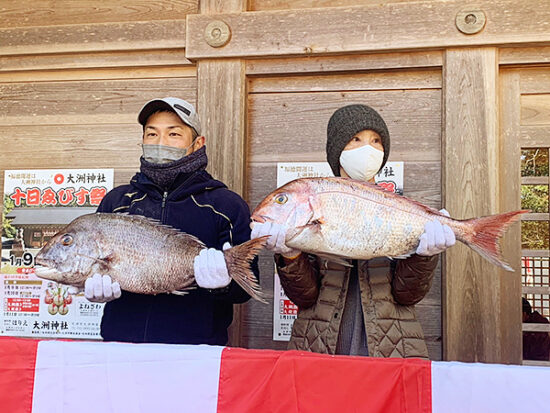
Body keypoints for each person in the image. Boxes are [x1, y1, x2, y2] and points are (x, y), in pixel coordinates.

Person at [251, 104, 455, 357]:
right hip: (321, 345)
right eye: (355, 139)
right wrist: (290, 256)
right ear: (338, 149)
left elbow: (407, 296)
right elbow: (305, 299)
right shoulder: (313, 207)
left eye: (376, 141)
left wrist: (425, 257)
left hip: (392, 347)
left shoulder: (399, 209)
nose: (367, 148)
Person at [85, 97, 258, 345]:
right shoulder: (117, 201)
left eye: (174, 134)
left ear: (198, 143)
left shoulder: (225, 206)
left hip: (196, 355)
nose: (160, 143)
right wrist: (89, 286)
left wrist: (222, 285)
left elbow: (245, 290)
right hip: (121, 349)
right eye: (152, 134)